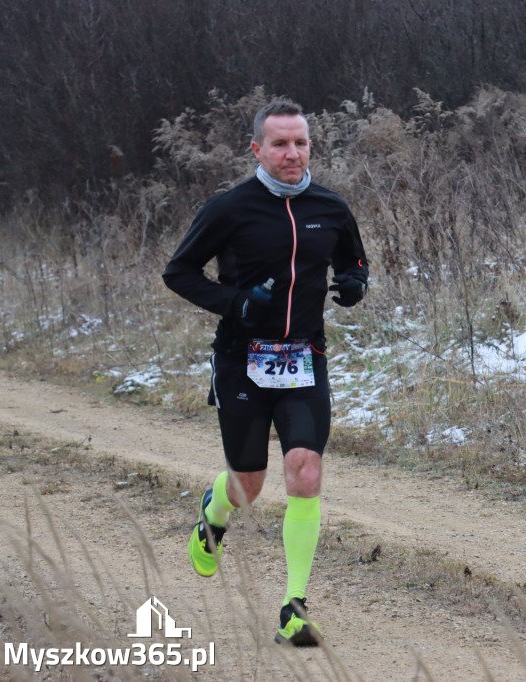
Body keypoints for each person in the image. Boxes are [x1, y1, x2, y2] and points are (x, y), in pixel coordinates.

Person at [162, 98, 368, 644]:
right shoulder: (230, 208)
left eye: (300, 143)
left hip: (305, 358)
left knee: (305, 469)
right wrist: (234, 302)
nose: (292, 153)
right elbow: (179, 271)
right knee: (248, 484)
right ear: (258, 149)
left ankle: (294, 606)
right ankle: (215, 511)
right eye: (280, 144)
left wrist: (354, 286)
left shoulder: (331, 206)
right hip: (242, 361)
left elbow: (354, 263)